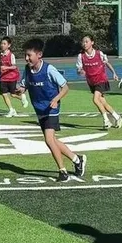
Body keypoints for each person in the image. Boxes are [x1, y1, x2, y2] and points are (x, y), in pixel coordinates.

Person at [16, 38, 87, 182]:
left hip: (51, 109)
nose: (26, 58)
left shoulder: (49, 69)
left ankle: (63, 172)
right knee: (53, 140)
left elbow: (65, 87)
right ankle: (77, 159)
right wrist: (20, 90)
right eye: (25, 55)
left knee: (49, 140)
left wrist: (56, 99)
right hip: (39, 109)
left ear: (39, 55)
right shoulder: (27, 70)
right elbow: (25, 85)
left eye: (29, 55)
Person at [76, 35, 122, 130]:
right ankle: (117, 117)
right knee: (103, 102)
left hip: (101, 80)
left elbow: (107, 63)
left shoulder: (99, 53)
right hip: (91, 82)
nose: (84, 44)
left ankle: (106, 120)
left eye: (87, 41)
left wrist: (114, 73)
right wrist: (80, 71)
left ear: (92, 42)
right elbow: (79, 69)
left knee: (95, 99)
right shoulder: (81, 56)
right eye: (83, 42)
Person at [0, 36, 28, 117]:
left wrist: (6, 68)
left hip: (11, 77)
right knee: (4, 94)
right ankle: (11, 110)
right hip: (3, 78)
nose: (2, 45)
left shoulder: (11, 55)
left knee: (12, 94)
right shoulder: (1, 55)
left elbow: (14, 67)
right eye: (1, 43)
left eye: (4, 43)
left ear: (9, 45)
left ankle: (22, 98)